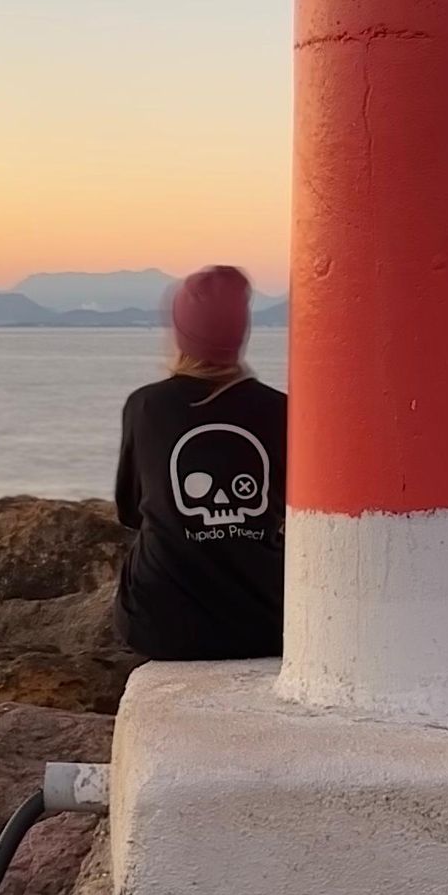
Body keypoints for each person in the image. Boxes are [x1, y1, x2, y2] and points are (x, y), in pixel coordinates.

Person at [114, 264, 287, 660]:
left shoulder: (147, 406)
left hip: (159, 626)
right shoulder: (282, 411)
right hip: (265, 624)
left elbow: (130, 511)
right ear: (239, 336)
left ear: (181, 335)